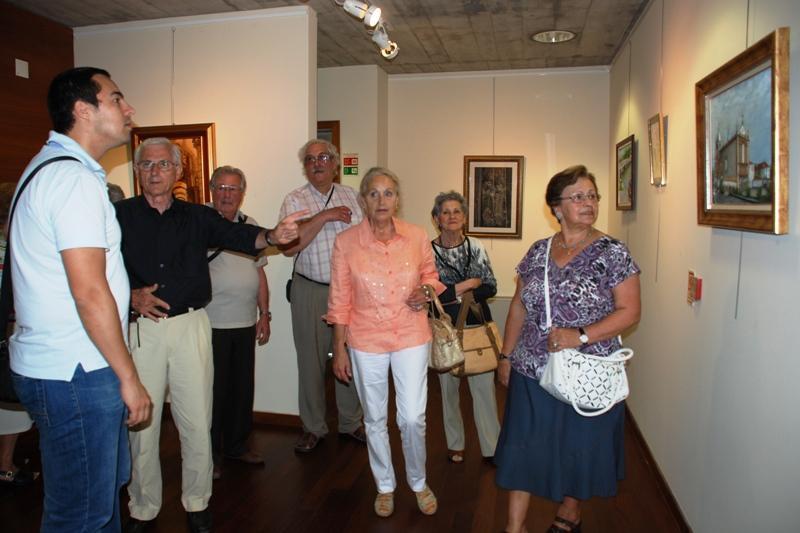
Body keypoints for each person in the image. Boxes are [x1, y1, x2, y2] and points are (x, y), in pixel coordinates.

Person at [116, 137, 305, 533]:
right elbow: (98, 267)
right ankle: (143, 506)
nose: (154, 171)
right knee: (142, 423)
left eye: (163, 164)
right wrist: (130, 295)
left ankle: (197, 501)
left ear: (177, 171)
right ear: (137, 171)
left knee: (197, 417)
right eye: (147, 164)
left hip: (191, 326)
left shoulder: (197, 217)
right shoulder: (118, 216)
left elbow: (241, 237)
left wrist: (274, 235)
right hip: (143, 329)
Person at [8, 67, 152, 531]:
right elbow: (89, 292)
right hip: (76, 372)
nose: (129, 109)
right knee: (81, 516)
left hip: (73, 367)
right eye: (117, 99)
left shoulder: (54, 169)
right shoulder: (71, 180)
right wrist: (129, 377)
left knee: (100, 500)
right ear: (83, 110)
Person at [494, 165, 641, 533]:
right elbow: (518, 306)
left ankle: (570, 512)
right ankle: (515, 527)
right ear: (556, 208)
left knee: (578, 447)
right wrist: (506, 356)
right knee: (523, 448)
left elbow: (630, 311)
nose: (588, 203)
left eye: (592, 196)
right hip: (532, 369)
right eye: (578, 197)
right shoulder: (538, 251)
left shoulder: (613, 252)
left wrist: (582, 335)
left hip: (588, 372)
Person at [327, 167, 444, 518]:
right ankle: (384, 485)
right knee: (375, 418)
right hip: (365, 339)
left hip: (410, 334)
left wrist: (426, 290)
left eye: (388, 193)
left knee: (412, 417)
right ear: (363, 200)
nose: (381, 200)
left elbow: (431, 275)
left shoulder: (417, 236)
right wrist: (339, 348)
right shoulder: (346, 242)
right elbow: (339, 299)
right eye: (373, 193)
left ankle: (418, 481)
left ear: (397, 199)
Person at [278, 139, 365, 453]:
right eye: (310, 159)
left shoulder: (353, 197)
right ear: (305, 167)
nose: (317, 163)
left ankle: (351, 422)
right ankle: (313, 426)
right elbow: (290, 246)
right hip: (310, 290)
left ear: (335, 163)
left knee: (351, 357)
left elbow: (367, 241)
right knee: (310, 362)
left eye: (324, 157)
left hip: (349, 292)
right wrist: (325, 216)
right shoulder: (295, 199)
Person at [206, 166, 271, 480]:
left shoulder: (250, 225)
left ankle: (236, 446)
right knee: (213, 391)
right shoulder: (200, 222)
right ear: (211, 190)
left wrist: (265, 314)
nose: (227, 194)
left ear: (242, 193)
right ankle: (210, 455)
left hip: (244, 321)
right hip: (210, 322)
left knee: (242, 389)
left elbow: (259, 272)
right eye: (221, 187)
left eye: (233, 188)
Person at [429, 191, 501, 464]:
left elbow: (491, 286)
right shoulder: (427, 251)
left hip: (476, 326)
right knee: (448, 391)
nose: (452, 216)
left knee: (484, 390)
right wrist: (469, 284)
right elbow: (430, 296)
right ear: (436, 218)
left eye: (457, 211)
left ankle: (492, 447)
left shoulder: (477, 246)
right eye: (445, 212)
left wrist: (453, 293)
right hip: (444, 330)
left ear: (465, 217)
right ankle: (455, 444)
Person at [0, 181, 38, 488]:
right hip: (10, 333)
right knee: (9, 406)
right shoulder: (15, 247)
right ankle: (5, 465)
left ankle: (6, 463)